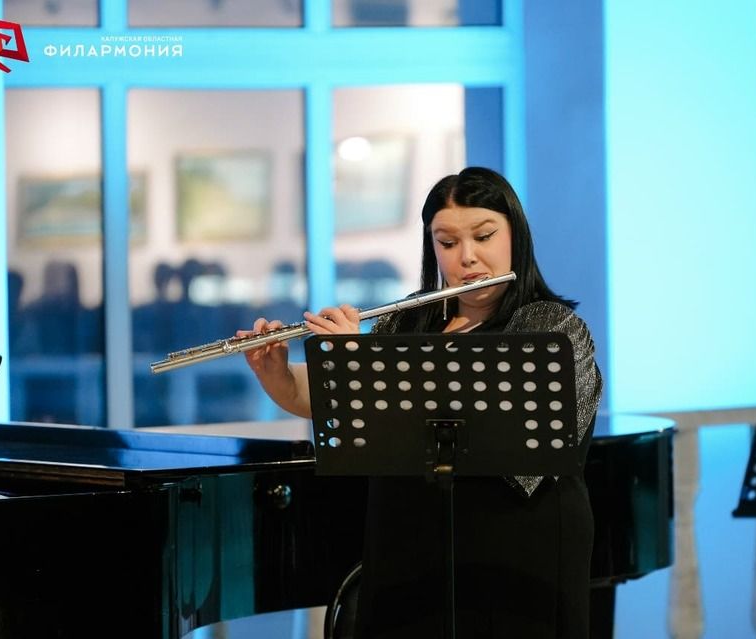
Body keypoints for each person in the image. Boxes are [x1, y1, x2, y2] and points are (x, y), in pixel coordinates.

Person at [241, 167, 603, 638]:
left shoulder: (552, 327)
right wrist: (278, 375)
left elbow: (484, 418)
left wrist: (361, 363)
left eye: (484, 236)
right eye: (447, 242)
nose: (467, 257)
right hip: (408, 553)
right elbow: (329, 399)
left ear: (516, 235)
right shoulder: (409, 319)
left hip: (514, 560)